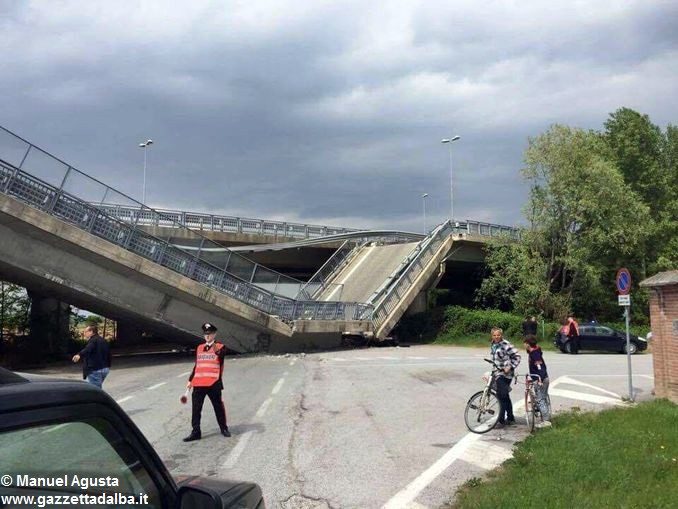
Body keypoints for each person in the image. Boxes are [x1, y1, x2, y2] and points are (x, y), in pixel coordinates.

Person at [183, 322, 231, 442]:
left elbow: (220, 355)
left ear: (214, 334)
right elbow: (197, 366)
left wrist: (212, 344)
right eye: (205, 334)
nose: (207, 336)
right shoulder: (199, 348)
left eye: (209, 334)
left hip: (213, 383)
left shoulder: (220, 347)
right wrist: (190, 380)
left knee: (218, 407)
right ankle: (196, 432)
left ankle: (224, 428)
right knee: (196, 409)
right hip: (199, 383)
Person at [489, 327, 521, 428]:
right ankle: (510, 418)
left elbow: (517, 356)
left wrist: (510, 367)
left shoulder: (505, 344)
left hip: (506, 374)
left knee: (501, 396)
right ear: (492, 336)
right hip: (497, 373)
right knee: (504, 395)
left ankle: (501, 420)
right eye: (494, 335)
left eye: (498, 335)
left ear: (501, 335)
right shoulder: (493, 344)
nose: (496, 337)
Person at [523, 336, 551, 428]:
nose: (523, 345)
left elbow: (540, 367)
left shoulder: (535, 354)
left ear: (528, 344)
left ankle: (546, 421)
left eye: (524, 343)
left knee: (540, 399)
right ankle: (545, 417)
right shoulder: (534, 352)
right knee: (542, 397)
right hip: (539, 378)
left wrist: (540, 379)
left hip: (541, 379)